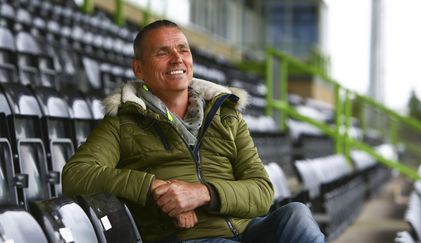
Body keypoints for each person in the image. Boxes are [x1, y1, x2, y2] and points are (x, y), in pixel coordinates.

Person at [62, 19, 325, 243]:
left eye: (183, 50)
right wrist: (155, 188)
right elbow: (76, 175)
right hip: (190, 238)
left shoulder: (226, 116)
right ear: (139, 69)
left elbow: (262, 193)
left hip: (247, 231)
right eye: (162, 53)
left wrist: (203, 193)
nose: (177, 58)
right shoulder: (122, 122)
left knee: (297, 214)